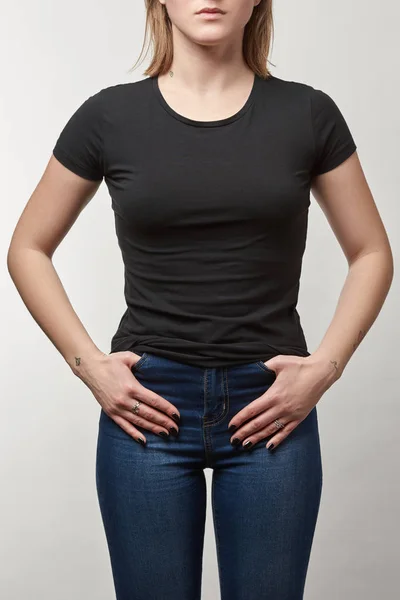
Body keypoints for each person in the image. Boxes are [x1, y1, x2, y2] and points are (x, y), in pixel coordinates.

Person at [7, 1, 393, 599]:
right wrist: (91, 369)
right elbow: (27, 247)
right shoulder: (109, 116)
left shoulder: (308, 114)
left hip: (272, 410)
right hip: (147, 410)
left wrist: (325, 369)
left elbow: (371, 251)